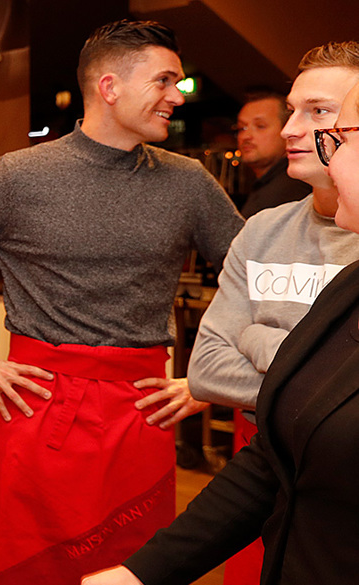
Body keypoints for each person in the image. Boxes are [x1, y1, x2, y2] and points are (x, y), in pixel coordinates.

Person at [0, 20, 244, 584]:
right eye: (163, 81)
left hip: (142, 412)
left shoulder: (188, 183)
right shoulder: (18, 176)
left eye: (177, 82)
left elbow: (255, 281)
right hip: (38, 409)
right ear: (110, 87)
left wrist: (210, 379)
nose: (176, 96)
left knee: (132, 571)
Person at [82, 73, 359, 585]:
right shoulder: (299, 249)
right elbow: (211, 375)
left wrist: (256, 339)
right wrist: (139, 573)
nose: (302, 135)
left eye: (336, 132)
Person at [184, 42, 359, 585]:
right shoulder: (263, 230)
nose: (291, 129)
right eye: (292, 110)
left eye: (319, 112)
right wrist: (321, 386)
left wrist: (259, 340)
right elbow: (206, 369)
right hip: (255, 472)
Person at [236, 91, 311, 217]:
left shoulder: (291, 189)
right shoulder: (267, 185)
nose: (245, 136)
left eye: (260, 126)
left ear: (287, 130)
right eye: (242, 128)